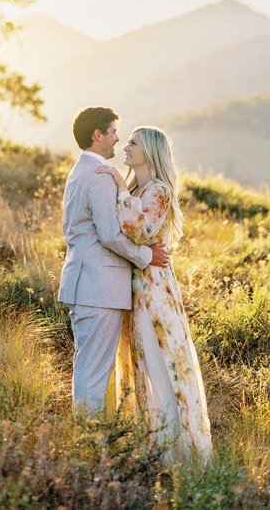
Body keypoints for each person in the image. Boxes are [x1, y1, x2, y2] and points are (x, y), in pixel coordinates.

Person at [97, 125, 213, 463]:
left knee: (162, 367)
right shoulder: (139, 188)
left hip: (154, 293)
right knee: (142, 366)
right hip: (135, 289)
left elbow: (141, 230)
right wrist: (125, 189)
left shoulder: (158, 191)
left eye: (133, 142)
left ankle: (177, 455)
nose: (126, 146)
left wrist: (120, 188)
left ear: (149, 151)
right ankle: (151, 449)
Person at [57, 107, 171, 416]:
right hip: (99, 287)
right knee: (94, 374)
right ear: (98, 135)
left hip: (86, 285)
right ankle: (88, 444)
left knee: (87, 368)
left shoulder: (79, 171)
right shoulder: (98, 177)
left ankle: (84, 439)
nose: (117, 140)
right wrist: (147, 256)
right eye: (113, 133)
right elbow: (109, 235)